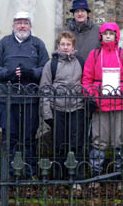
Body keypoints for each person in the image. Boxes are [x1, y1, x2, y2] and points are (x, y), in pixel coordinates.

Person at [0, 11, 49, 178]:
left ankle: (29, 172)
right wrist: (7, 74)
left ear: (30, 25)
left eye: (26, 22)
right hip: (8, 99)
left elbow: (46, 67)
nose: (22, 25)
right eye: (19, 22)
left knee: (29, 137)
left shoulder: (38, 44)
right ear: (13, 25)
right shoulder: (4, 44)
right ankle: (9, 172)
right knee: (9, 136)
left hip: (30, 99)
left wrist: (32, 73)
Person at [82, 22, 123, 180]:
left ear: (116, 36)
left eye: (111, 33)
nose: (108, 36)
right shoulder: (94, 55)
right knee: (98, 141)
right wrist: (91, 97)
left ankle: (119, 175)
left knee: (119, 141)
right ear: (101, 36)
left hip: (120, 105)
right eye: (105, 33)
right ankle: (96, 175)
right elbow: (87, 79)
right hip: (100, 106)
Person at [40, 31, 86, 184]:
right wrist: (47, 113)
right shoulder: (51, 64)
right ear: (58, 46)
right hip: (58, 109)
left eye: (68, 44)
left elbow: (86, 83)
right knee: (59, 144)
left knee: (76, 144)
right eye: (63, 44)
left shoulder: (80, 62)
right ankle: (59, 177)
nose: (65, 47)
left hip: (77, 108)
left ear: (73, 46)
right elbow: (45, 88)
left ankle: (76, 178)